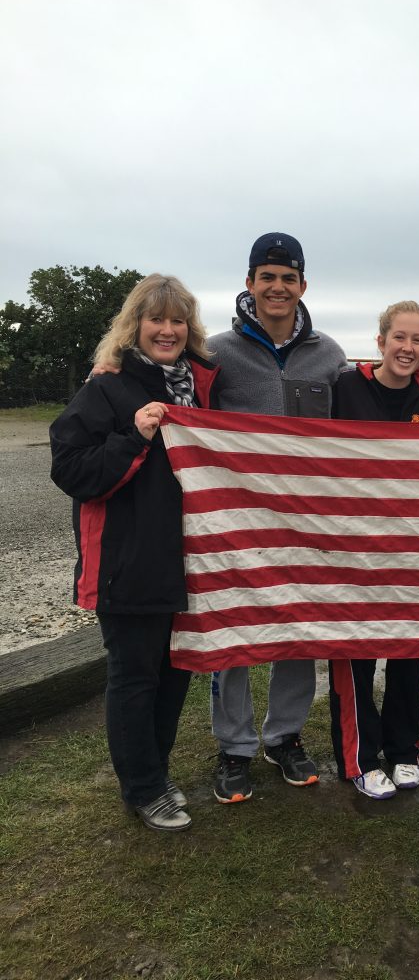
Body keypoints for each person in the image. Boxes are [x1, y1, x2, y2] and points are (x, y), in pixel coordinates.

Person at [49, 275, 219, 832]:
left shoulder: (202, 385)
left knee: (174, 673)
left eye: (177, 321)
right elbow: (72, 469)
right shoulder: (107, 387)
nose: (167, 330)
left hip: (186, 559)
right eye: (156, 320)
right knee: (134, 675)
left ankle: (156, 773)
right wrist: (134, 437)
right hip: (128, 559)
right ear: (135, 326)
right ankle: (142, 787)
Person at [208, 233, 348, 803]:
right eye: (267, 276)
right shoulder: (214, 353)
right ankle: (234, 746)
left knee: (296, 633)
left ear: (303, 286)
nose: (278, 287)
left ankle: (283, 736)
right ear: (249, 283)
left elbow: (360, 418)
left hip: (305, 523)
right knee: (235, 634)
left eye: (288, 278)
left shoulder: (330, 354)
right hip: (237, 524)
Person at [329, 301, 419, 799]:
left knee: (410, 651)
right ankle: (359, 757)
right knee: (356, 653)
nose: (407, 348)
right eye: (398, 337)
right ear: (380, 341)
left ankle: (405, 749)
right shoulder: (346, 388)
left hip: (415, 551)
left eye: (418, 340)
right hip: (354, 550)